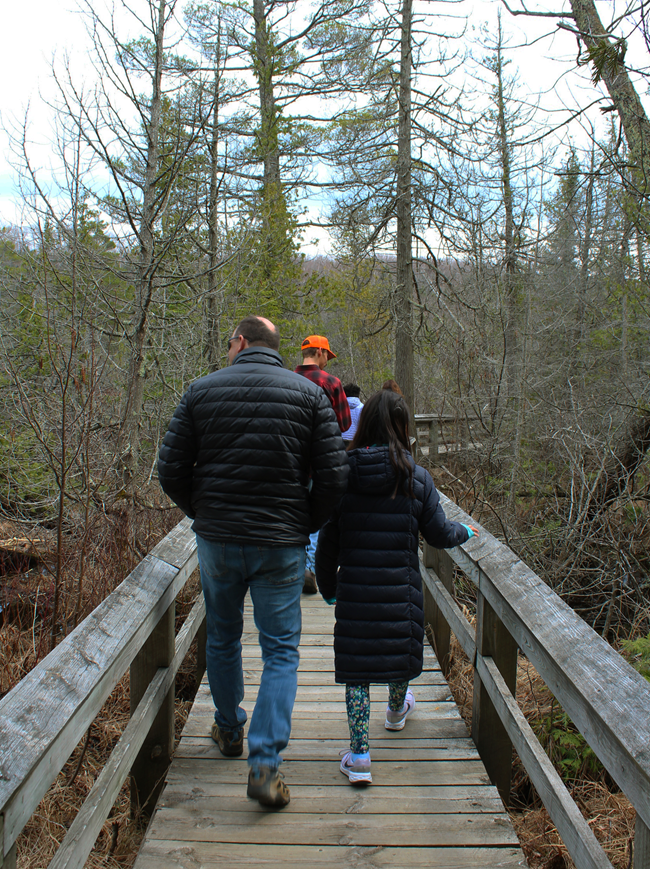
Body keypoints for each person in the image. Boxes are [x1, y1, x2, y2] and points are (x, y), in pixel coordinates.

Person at [158, 315, 348, 808]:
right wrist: (303, 523)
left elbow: (170, 469)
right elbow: (333, 476)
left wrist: (204, 513)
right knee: (281, 650)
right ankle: (265, 763)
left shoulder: (201, 391)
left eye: (228, 343)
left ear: (240, 342)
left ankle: (227, 728)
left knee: (222, 636)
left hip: (219, 541)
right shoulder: (307, 396)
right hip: (281, 544)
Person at [315, 389, 478, 784]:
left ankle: (359, 756)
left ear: (365, 422)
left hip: (355, 593)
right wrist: (465, 531)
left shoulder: (342, 474)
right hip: (400, 592)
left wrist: (328, 587)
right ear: (403, 428)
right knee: (397, 649)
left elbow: (327, 540)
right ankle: (394, 712)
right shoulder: (415, 477)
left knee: (357, 672)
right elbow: (439, 534)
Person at [295, 334, 351, 593]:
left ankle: (292, 568)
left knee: (293, 513)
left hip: (291, 461)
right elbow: (344, 424)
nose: (328, 359)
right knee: (318, 514)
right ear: (318, 352)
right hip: (321, 460)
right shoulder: (331, 383)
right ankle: (311, 568)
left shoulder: (287, 380)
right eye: (327, 354)